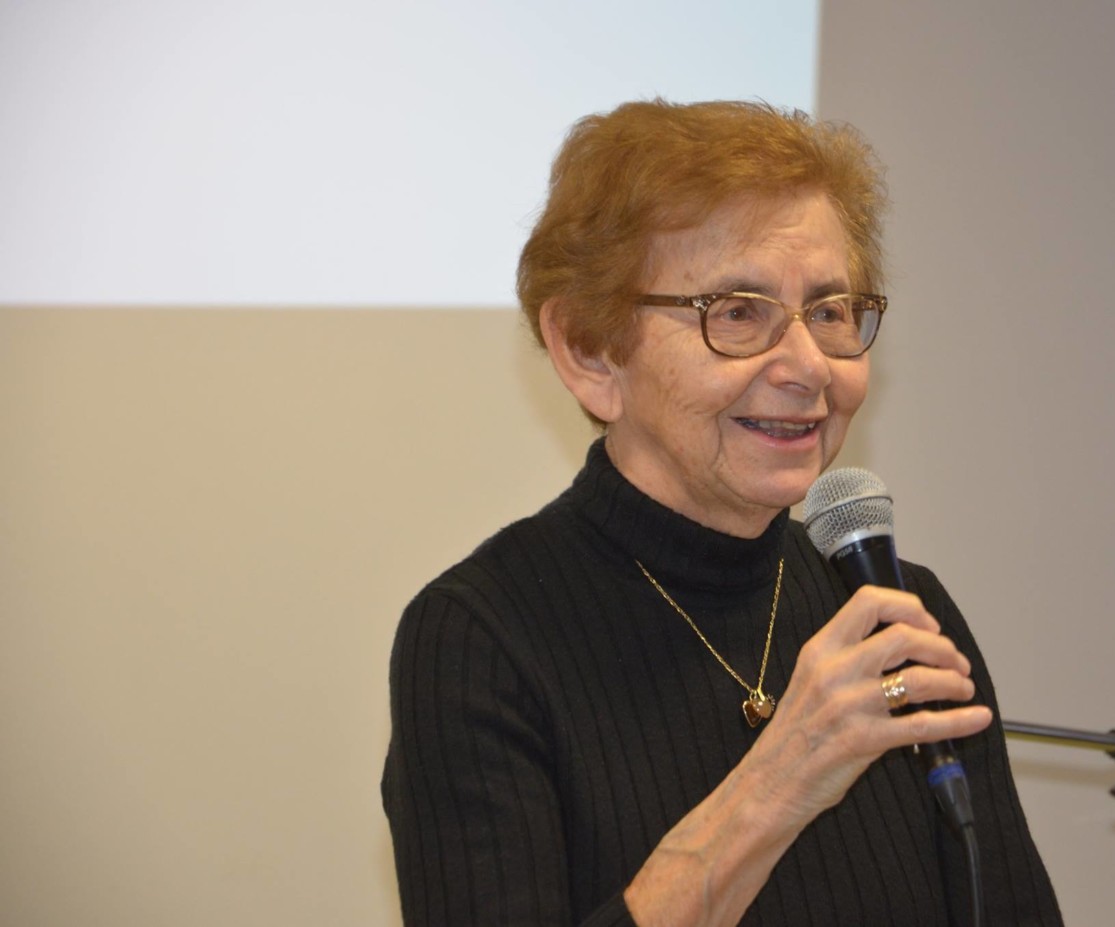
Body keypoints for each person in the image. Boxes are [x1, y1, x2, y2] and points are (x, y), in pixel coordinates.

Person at [382, 99, 1061, 926]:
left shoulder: (896, 612)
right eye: (738, 312)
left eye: (830, 312)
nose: (809, 366)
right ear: (589, 350)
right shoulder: (480, 640)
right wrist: (779, 780)